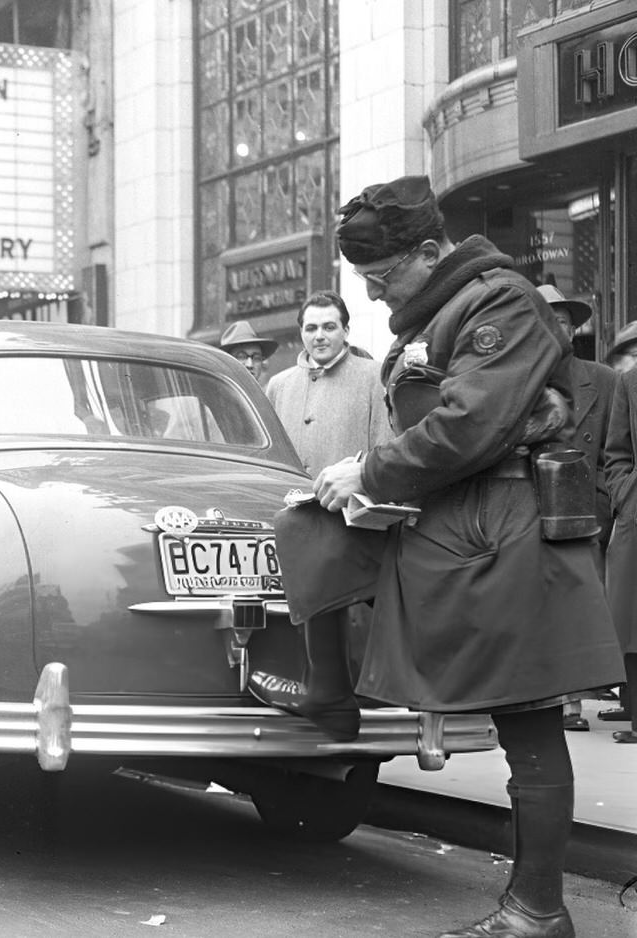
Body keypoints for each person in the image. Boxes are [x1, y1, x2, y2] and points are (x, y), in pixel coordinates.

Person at [250, 175, 622, 938]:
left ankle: (537, 911)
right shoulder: (445, 308)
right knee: (309, 533)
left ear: (428, 250)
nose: (380, 297)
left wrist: (370, 471)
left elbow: (468, 425)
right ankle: (330, 696)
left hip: (507, 533)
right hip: (459, 523)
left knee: (531, 725)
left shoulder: (500, 302)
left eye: (385, 278)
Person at [536, 285, 617, 733]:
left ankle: (571, 700)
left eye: (564, 322)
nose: (557, 330)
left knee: (580, 606)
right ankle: (550, 697)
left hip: (586, 512)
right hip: (529, 507)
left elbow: (614, 447)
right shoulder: (517, 378)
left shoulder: (603, 379)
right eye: (548, 321)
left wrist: (603, 498)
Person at [266, 290, 392, 476]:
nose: (319, 336)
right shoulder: (279, 385)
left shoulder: (375, 376)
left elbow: (385, 450)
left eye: (329, 327)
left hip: (350, 501)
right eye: (311, 328)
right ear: (301, 333)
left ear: (346, 331)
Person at [601, 364, 637, 744]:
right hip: (636, 515)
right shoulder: (630, 381)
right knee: (632, 622)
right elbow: (617, 453)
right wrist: (627, 495)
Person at [218, 320, 277, 385]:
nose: (250, 365)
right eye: (242, 357)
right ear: (227, 362)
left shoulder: (263, 394)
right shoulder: (215, 394)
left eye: (256, 358)